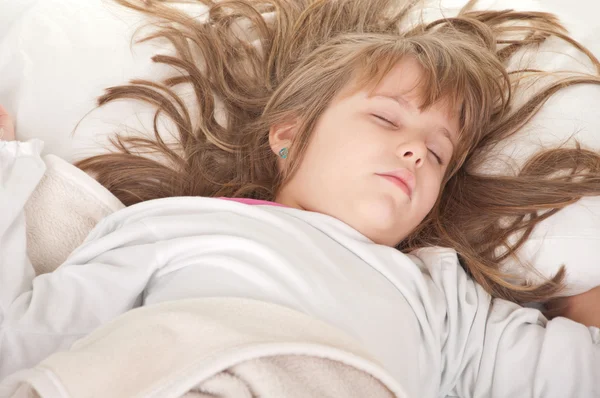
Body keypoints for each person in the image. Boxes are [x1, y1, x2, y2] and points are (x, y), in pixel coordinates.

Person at [0, 0, 599, 396]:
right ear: (290, 134)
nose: (417, 151)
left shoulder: (443, 300)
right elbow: (27, 336)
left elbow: (573, 372)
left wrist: (578, 304)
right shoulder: (178, 226)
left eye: (438, 153)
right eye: (387, 120)